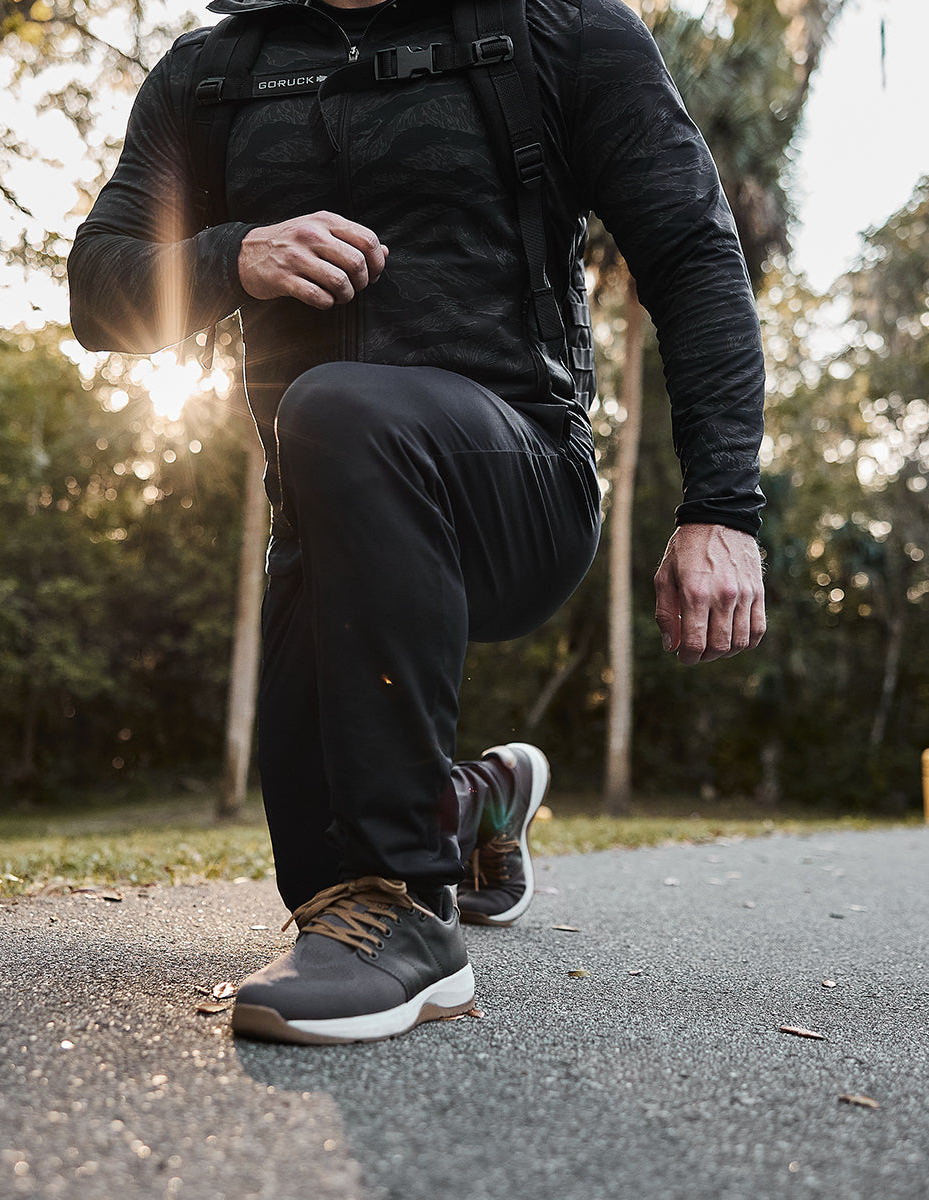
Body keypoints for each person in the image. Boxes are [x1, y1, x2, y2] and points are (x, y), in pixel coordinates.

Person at [68, 0, 767, 1045]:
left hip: (521, 485)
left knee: (344, 409)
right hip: (327, 526)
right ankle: (473, 799)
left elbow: (693, 256)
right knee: (316, 872)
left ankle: (413, 917)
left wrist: (721, 507)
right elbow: (97, 289)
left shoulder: (558, 31)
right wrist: (232, 257)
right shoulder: (212, 74)